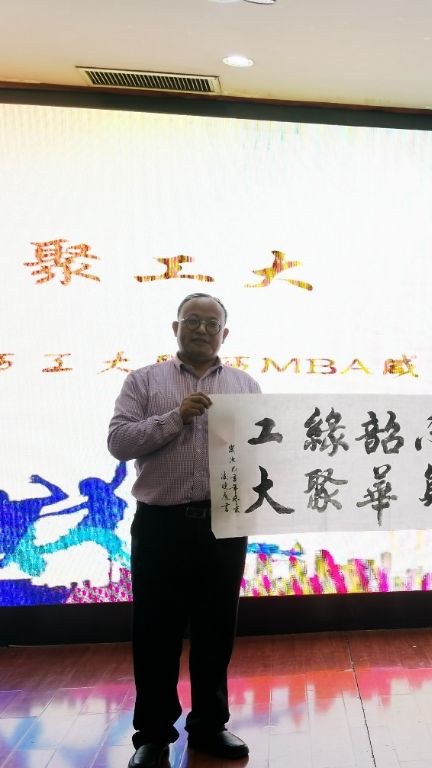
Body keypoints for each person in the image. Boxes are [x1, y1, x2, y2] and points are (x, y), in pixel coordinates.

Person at [108, 293, 260, 768]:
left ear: (224, 334)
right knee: (156, 631)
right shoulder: (143, 380)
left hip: (224, 523)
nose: (201, 330)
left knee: (217, 630)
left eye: (211, 323)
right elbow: (119, 442)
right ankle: (153, 736)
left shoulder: (244, 385)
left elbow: (263, 449)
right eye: (192, 321)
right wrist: (177, 417)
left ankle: (210, 725)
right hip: (161, 524)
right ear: (176, 328)